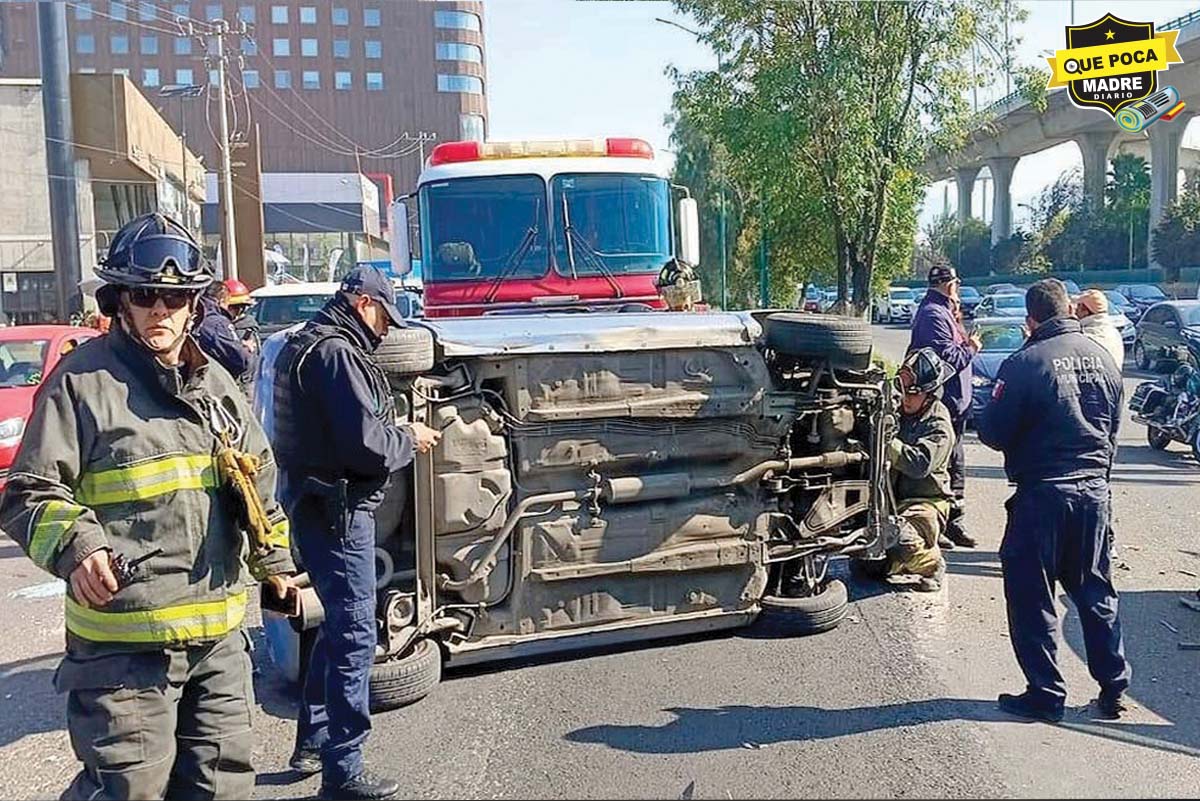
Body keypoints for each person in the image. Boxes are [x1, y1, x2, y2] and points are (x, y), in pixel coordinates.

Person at [0, 212, 296, 799]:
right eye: (145, 295)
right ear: (120, 302)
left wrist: (278, 565)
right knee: (128, 790)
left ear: (193, 305)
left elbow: (258, 486)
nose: (161, 310)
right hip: (124, 653)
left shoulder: (215, 387)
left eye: (175, 296)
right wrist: (78, 547)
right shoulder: (81, 384)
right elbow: (28, 491)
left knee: (222, 788)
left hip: (217, 641)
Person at [271, 264, 441, 800]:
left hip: (313, 504)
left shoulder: (303, 343)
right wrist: (408, 437)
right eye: (385, 318)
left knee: (337, 623)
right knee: (355, 634)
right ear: (364, 303)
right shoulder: (338, 354)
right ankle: (343, 770)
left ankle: (313, 741)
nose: (387, 331)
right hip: (339, 512)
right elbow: (367, 446)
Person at [978, 278, 1130, 723]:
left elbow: (993, 431)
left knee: (1032, 596)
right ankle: (1114, 688)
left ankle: (1046, 693)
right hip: (1094, 494)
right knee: (1096, 590)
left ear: (1031, 320)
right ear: (1069, 310)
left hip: (1043, 496)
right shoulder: (1104, 358)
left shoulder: (1024, 363)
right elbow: (1113, 430)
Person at [908, 262, 981, 550]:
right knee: (943, 466)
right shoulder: (933, 315)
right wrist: (972, 347)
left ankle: (952, 521)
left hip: (954, 403)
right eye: (956, 285)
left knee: (954, 464)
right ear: (950, 285)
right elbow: (947, 359)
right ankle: (939, 525)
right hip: (943, 403)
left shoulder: (944, 312)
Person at [885, 348, 956, 592]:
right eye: (902, 391)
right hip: (892, 500)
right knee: (867, 563)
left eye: (913, 393)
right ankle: (898, 561)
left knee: (900, 538)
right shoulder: (900, 413)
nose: (906, 398)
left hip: (927, 502)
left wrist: (886, 443)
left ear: (930, 393)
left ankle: (933, 565)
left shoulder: (939, 424)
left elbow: (919, 464)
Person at [195, 279, 254, 381]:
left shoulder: (194, 314)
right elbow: (240, 360)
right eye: (233, 307)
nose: (237, 312)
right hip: (215, 383)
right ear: (222, 301)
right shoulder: (218, 324)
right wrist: (245, 350)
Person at [1075, 289, 1124, 369]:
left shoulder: (1086, 336)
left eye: (1078, 306)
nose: (1075, 310)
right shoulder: (1114, 333)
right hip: (1114, 379)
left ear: (1085, 311)